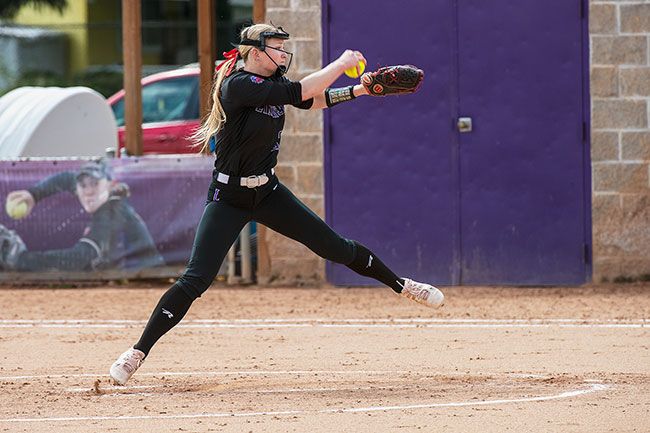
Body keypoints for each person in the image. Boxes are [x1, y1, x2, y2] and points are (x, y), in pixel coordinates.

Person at [109, 23, 444, 385]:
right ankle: (137, 353)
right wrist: (341, 62)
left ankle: (402, 285)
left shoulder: (269, 88)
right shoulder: (239, 84)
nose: (284, 54)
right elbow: (303, 89)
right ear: (255, 53)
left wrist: (360, 90)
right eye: (277, 48)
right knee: (196, 279)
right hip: (229, 198)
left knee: (334, 247)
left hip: (268, 192)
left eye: (285, 48)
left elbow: (314, 99)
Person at [1, 161, 164, 272]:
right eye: (83, 185)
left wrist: (23, 259)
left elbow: (79, 258)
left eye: (95, 184)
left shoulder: (112, 211)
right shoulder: (99, 194)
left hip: (141, 283)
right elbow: (65, 179)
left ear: (109, 184)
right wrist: (32, 195)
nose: (88, 191)